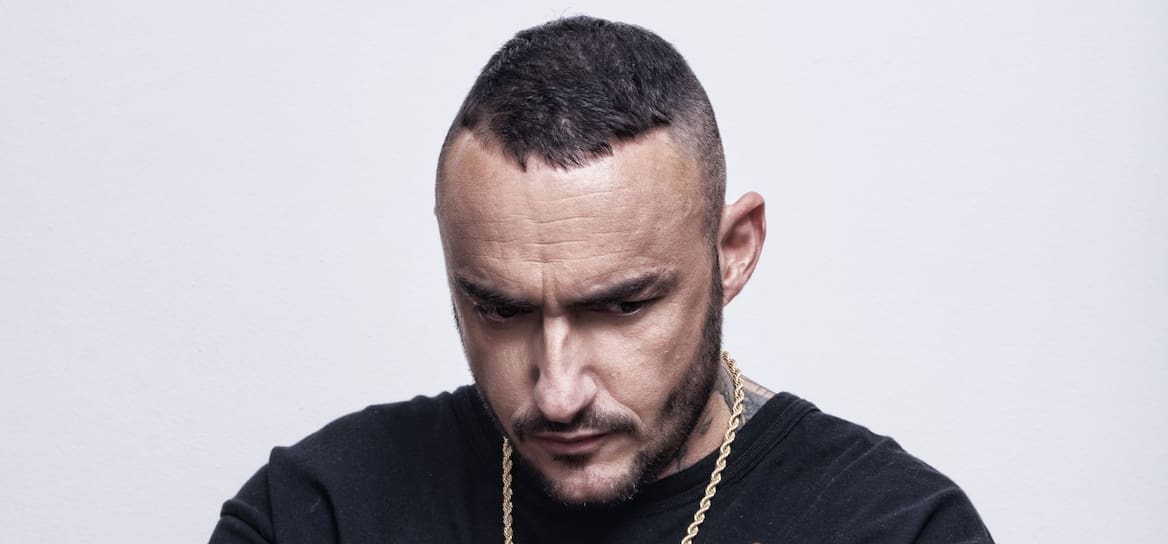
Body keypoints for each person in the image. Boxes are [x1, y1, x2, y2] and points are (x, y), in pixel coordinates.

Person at [209, 15, 992, 543]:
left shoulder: (895, 528)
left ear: (732, 251)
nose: (558, 395)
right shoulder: (319, 513)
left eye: (622, 306)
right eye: (500, 309)